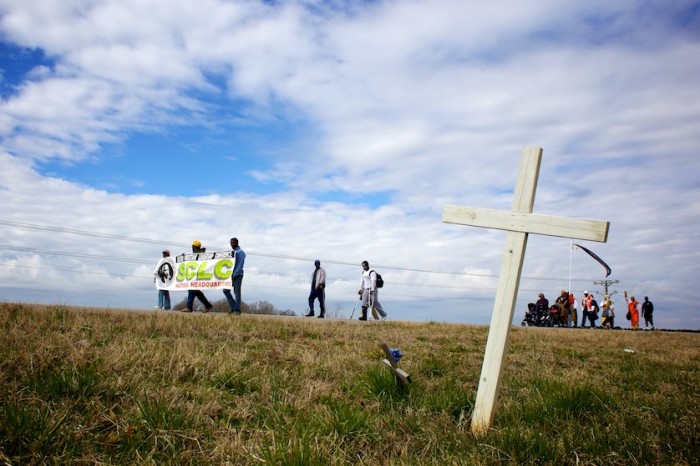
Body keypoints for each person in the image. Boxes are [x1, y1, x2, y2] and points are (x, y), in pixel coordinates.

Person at [183, 240, 214, 313]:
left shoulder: (200, 254)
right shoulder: (198, 254)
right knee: (196, 292)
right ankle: (208, 305)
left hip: (197, 275)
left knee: (192, 289)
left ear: (194, 247)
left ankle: (189, 307)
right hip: (195, 275)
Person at [223, 237, 246, 315]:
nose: (231, 244)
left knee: (237, 293)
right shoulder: (232, 253)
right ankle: (233, 307)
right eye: (230, 243)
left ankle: (237, 310)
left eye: (232, 243)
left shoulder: (241, 252)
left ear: (236, 243)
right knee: (225, 290)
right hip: (230, 275)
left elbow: (240, 265)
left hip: (238, 275)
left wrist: (235, 274)